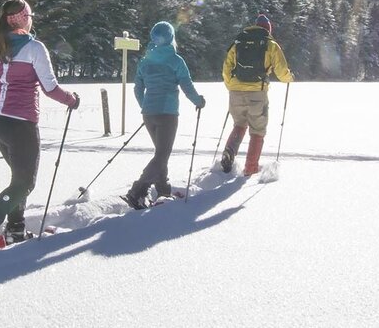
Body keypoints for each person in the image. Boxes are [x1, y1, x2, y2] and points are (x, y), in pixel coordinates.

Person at [0, 0, 80, 255]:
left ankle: (15, 228)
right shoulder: (35, 48)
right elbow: (50, 88)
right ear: (25, 18)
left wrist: (1, 106)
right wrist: (72, 100)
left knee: (17, 179)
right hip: (21, 124)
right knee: (25, 183)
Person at [123, 21, 205, 210]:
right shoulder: (175, 60)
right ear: (171, 38)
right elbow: (186, 85)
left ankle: (163, 190)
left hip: (149, 114)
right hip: (167, 113)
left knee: (161, 153)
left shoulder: (146, 60)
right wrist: (198, 101)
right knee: (162, 154)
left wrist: (145, 105)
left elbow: (137, 88)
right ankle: (138, 190)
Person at [219, 13, 293, 176]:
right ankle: (251, 167)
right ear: (268, 29)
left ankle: (229, 152)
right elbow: (281, 72)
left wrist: (231, 85)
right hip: (257, 93)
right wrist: (290, 78)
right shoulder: (270, 44)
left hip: (235, 92)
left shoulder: (239, 42)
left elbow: (226, 67)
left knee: (239, 124)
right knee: (257, 130)